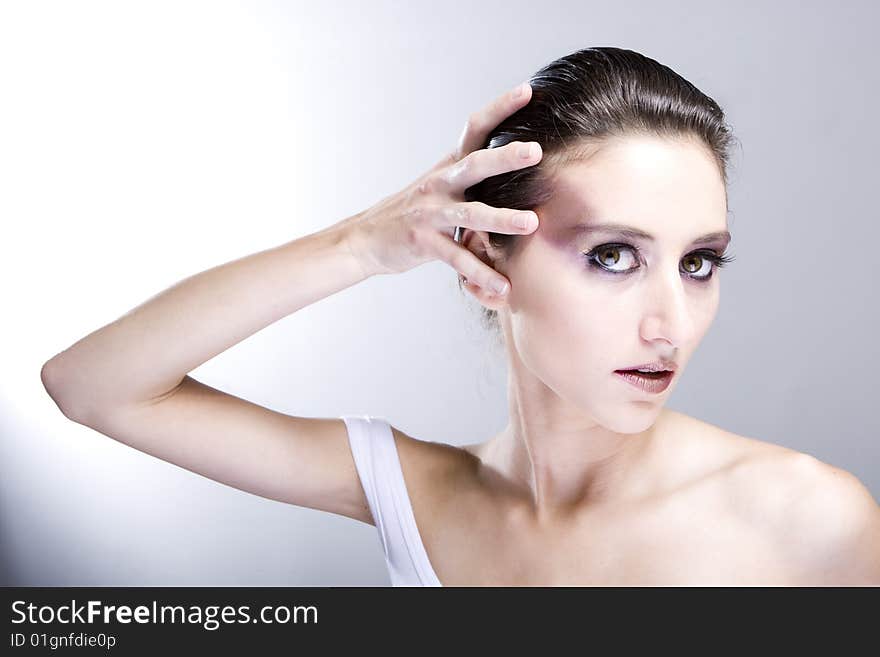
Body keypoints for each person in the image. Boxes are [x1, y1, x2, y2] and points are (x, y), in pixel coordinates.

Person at [41, 47, 880, 586]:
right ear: (485, 263)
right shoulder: (413, 493)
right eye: (614, 256)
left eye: (698, 262)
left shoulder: (807, 520)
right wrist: (361, 244)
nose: (672, 325)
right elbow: (92, 386)